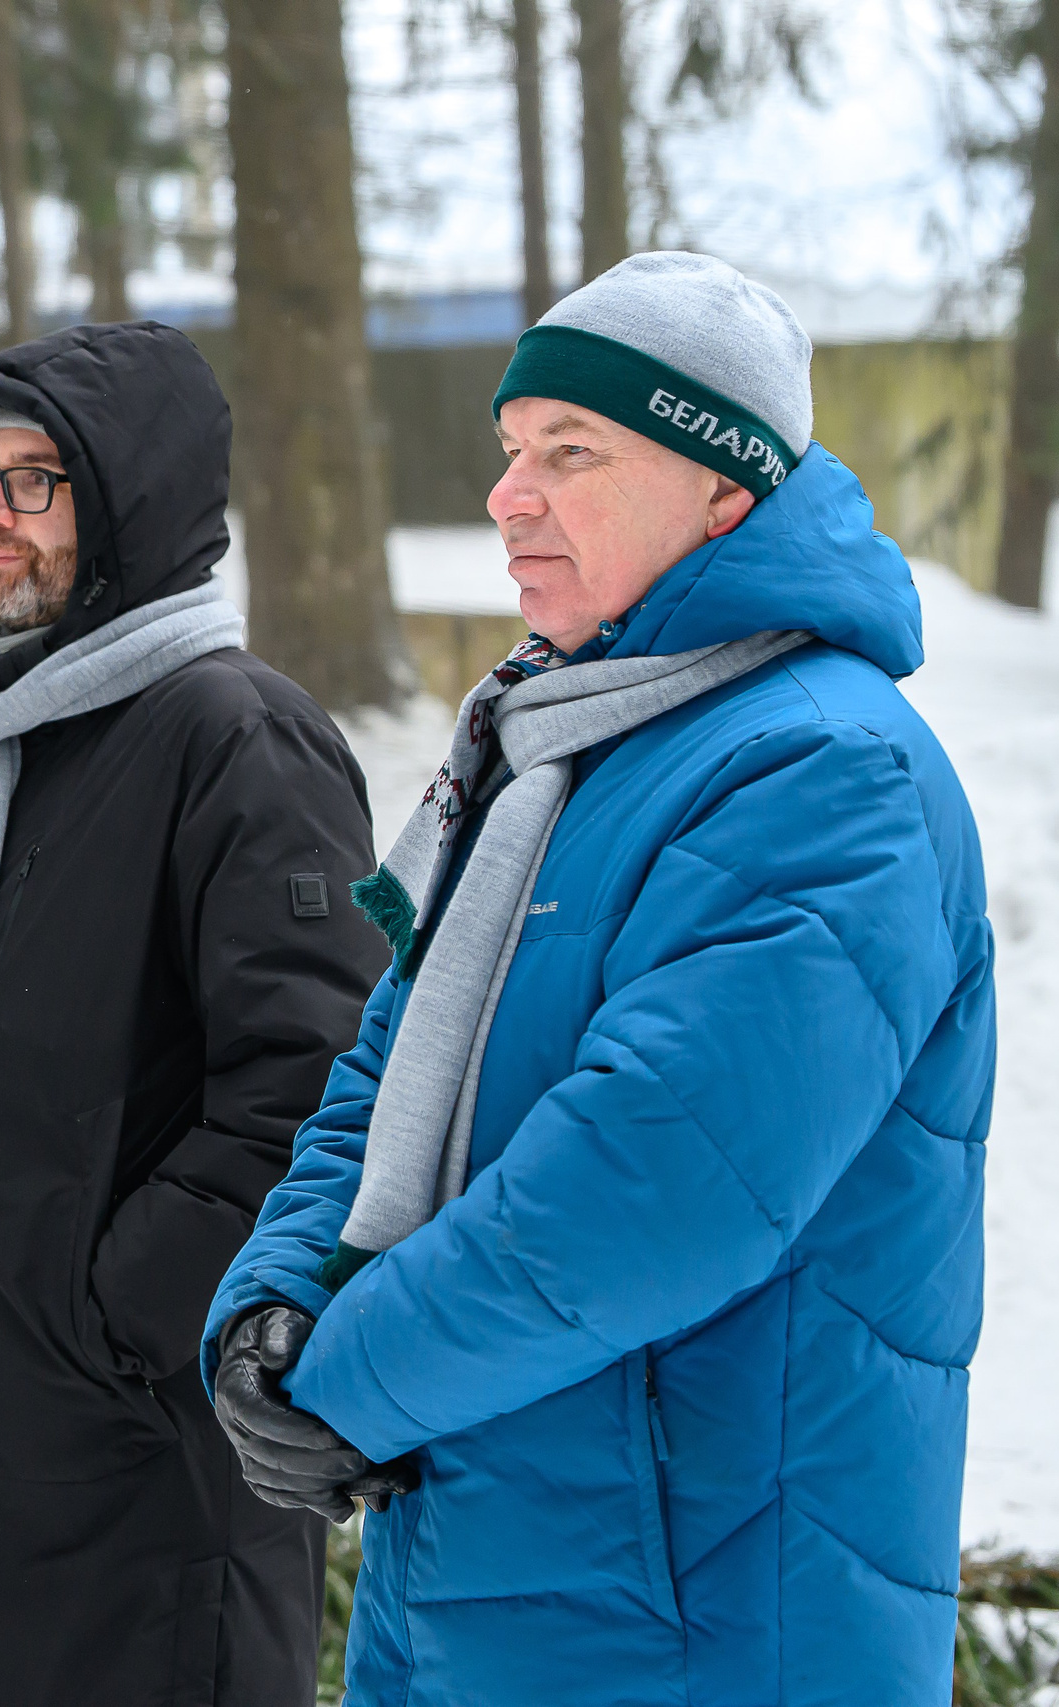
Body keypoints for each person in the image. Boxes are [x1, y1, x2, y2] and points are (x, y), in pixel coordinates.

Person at [206, 253, 996, 1704]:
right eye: (514, 452)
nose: (512, 495)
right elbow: (386, 1068)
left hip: (703, 1615)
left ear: (725, 488)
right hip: (487, 1564)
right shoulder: (560, 745)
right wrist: (276, 1302)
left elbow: (649, 1185)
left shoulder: (824, 769)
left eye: (573, 452)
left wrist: (347, 1376)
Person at [0, 322, 388, 1707]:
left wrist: (116, 1317)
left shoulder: (234, 734)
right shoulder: (3, 746)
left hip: (129, 1490)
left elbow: (314, 1090)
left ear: (133, 501)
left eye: (36, 481)